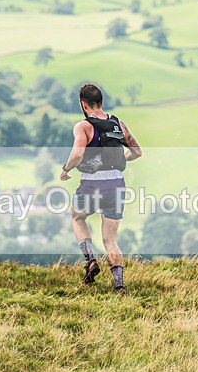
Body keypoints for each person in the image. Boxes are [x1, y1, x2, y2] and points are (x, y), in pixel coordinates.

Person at [60, 83, 142, 293]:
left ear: (83, 104)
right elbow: (136, 152)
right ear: (101, 102)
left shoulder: (83, 126)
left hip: (92, 183)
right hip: (116, 184)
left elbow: (78, 154)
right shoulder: (118, 124)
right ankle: (119, 285)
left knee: (77, 217)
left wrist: (66, 169)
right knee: (110, 240)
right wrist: (117, 160)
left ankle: (90, 261)